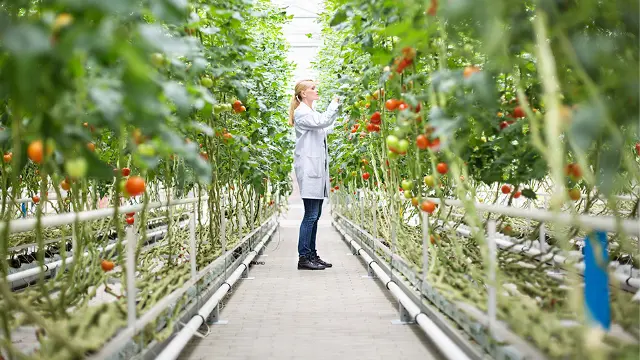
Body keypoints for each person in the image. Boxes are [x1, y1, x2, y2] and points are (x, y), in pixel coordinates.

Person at [289, 79, 341, 270]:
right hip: (309, 169)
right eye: (312, 88)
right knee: (311, 215)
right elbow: (323, 121)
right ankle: (304, 257)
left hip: (315, 168)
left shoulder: (310, 112)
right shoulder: (302, 112)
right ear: (303, 93)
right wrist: (334, 104)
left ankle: (312, 254)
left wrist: (342, 118)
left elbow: (325, 127)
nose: (316, 90)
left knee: (315, 214)